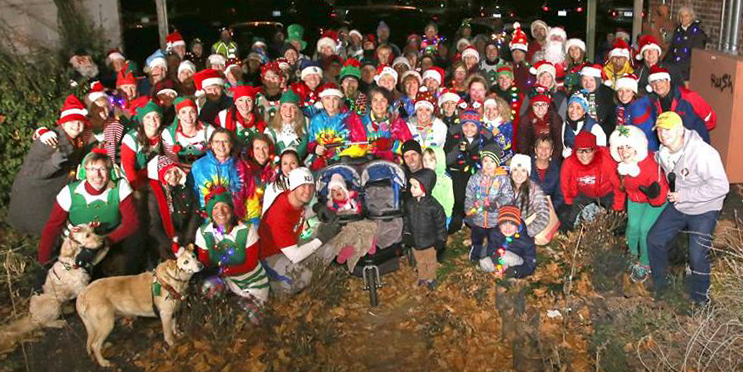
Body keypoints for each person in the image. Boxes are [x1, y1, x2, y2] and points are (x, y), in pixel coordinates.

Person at [647, 112, 728, 304]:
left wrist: (684, 196)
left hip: (705, 208)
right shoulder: (664, 151)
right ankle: (661, 285)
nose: (663, 134)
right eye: (659, 130)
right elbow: (660, 166)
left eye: (667, 130)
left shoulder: (702, 153)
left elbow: (721, 187)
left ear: (679, 130)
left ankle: (701, 298)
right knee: (654, 239)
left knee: (697, 254)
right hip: (680, 204)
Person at [38, 150, 139, 274]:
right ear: (84, 171)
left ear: (110, 171)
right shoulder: (69, 192)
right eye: (91, 169)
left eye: (102, 169)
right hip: (75, 244)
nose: (97, 175)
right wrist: (44, 262)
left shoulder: (120, 187)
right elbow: (52, 228)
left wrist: (104, 242)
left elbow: (132, 224)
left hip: (111, 241)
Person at [9, 95, 87, 236]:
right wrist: (53, 163)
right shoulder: (50, 140)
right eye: (72, 121)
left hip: (53, 191)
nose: (76, 125)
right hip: (35, 194)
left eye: (80, 122)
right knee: (37, 231)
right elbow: (31, 171)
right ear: (63, 123)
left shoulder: (77, 139)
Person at [258, 167, 342, 295]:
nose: (307, 191)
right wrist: (322, 238)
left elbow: (297, 217)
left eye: (310, 186)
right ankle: (276, 285)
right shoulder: (279, 213)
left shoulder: (292, 198)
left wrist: (316, 209)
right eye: (302, 186)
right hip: (271, 256)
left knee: (329, 250)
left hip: (289, 246)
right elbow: (295, 255)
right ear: (293, 187)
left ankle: (305, 274)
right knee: (304, 278)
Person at [196, 185, 268, 321]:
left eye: (224, 206)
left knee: (251, 319)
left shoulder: (247, 229)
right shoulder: (204, 232)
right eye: (215, 208)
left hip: (250, 281)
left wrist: (225, 270)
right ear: (210, 212)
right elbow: (205, 262)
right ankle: (216, 313)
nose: (221, 212)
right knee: (208, 287)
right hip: (226, 280)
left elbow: (250, 263)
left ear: (231, 209)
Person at [609, 125, 668, 282]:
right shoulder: (621, 167)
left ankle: (645, 263)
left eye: (628, 146)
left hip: (656, 201)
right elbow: (619, 188)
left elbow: (661, 194)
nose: (624, 151)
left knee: (644, 229)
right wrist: (617, 208)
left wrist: (653, 196)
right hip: (635, 199)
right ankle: (631, 254)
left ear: (637, 147)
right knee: (632, 227)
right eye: (620, 147)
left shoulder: (649, 165)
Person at [560, 131, 624, 229]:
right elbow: (565, 185)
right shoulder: (569, 163)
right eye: (580, 151)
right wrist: (569, 202)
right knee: (568, 219)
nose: (584, 155)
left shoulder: (606, 161)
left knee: (615, 223)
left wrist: (618, 208)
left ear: (594, 150)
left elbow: (618, 186)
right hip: (584, 194)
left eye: (588, 150)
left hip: (607, 193)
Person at [189, 128, 254, 222]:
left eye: (225, 141)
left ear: (231, 144)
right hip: (207, 220)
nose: (221, 145)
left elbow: (249, 194)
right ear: (211, 144)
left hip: (236, 219)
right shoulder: (199, 166)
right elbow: (193, 194)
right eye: (217, 141)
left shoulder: (241, 167)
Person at [445, 110, 494, 233]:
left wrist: (472, 152)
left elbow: (490, 158)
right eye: (465, 125)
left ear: (478, 126)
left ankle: (476, 219)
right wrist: (458, 147)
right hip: (458, 171)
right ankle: (458, 217)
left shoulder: (485, 137)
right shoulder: (454, 136)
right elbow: (448, 160)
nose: (469, 129)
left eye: (472, 125)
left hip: (479, 171)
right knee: (459, 192)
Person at [464, 143, 514, 260]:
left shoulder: (503, 179)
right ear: (481, 162)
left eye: (492, 161)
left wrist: (496, 204)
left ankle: (493, 253)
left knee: (494, 239)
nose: (488, 165)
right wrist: (468, 209)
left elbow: (508, 196)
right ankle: (475, 250)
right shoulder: (475, 178)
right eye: (485, 161)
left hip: (495, 219)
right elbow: (469, 195)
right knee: (477, 237)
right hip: (478, 218)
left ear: (497, 163)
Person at [147, 156, 199, 261]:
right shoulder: (154, 196)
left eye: (175, 172)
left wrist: (189, 239)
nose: (174, 176)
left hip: (186, 236)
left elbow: (194, 214)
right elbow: (154, 226)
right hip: (165, 241)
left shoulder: (185, 189)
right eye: (168, 173)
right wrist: (173, 245)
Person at [646, 66, 714, 143]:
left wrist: (700, 134)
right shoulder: (654, 102)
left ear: (668, 81)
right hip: (674, 144)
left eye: (661, 81)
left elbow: (710, 118)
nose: (658, 85)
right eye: (654, 82)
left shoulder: (688, 96)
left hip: (696, 143)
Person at [404, 168, 447, 289]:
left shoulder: (434, 206)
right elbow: (406, 220)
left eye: (415, 186)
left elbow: (440, 224)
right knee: (420, 261)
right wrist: (407, 233)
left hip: (430, 242)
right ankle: (422, 277)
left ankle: (431, 278)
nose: (411, 189)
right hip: (415, 241)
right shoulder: (410, 204)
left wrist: (441, 239)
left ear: (425, 187)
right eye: (411, 185)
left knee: (431, 262)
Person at [306, 83, 364, 170]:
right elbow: (311, 143)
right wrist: (315, 148)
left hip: (346, 163)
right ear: (321, 100)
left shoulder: (351, 117)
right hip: (322, 164)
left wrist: (340, 154)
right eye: (327, 98)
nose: (331, 103)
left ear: (340, 100)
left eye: (335, 99)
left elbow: (361, 144)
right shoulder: (316, 120)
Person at [474, 205, 537, 279]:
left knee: (506, 257)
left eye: (512, 224)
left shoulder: (526, 240)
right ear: (499, 225)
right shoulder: (495, 233)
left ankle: (511, 275)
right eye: (504, 224)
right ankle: (500, 272)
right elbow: (491, 247)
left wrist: (516, 271)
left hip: (516, 263)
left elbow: (531, 264)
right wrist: (495, 256)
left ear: (517, 225)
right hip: (500, 259)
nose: (507, 228)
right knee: (484, 262)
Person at [360, 86, 412, 161]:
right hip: (367, 165)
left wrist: (393, 145)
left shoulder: (398, 123)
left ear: (388, 103)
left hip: (393, 166)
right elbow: (355, 146)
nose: (379, 104)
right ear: (370, 104)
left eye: (383, 100)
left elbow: (410, 149)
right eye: (375, 100)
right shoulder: (361, 123)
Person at [508, 154, 552, 241]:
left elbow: (544, 216)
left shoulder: (534, 190)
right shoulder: (502, 185)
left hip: (522, 227)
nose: (519, 174)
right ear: (511, 172)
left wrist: (525, 232)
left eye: (523, 170)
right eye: (515, 170)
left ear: (528, 173)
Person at [121, 102, 164, 190]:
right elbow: (128, 167)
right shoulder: (131, 138)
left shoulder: (164, 134)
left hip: (155, 177)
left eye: (156, 116)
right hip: (132, 180)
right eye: (148, 117)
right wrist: (137, 189)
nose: (152, 121)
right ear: (142, 120)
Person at [162, 97, 215, 166]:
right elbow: (172, 161)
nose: (188, 116)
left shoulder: (208, 130)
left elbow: (215, 155)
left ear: (196, 114)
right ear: (178, 115)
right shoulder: (168, 133)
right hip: (180, 170)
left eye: (192, 112)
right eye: (183, 112)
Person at [614, 74, 658, 151]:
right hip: (630, 147)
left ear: (634, 92)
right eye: (620, 91)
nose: (624, 95)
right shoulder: (621, 107)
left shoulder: (639, 107)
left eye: (628, 91)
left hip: (646, 149)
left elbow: (640, 134)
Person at [665, 6, 707, 82]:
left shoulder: (698, 34)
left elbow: (696, 55)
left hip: (687, 73)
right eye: (681, 16)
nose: (683, 18)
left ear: (691, 17)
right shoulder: (677, 31)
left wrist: (679, 68)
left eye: (686, 16)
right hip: (674, 70)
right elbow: (671, 50)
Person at [561, 91, 607, 158]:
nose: (574, 111)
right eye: (571, 106)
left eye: (578, 108)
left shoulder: (594, 128)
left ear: (584, 111)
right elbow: (565, 148)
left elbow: (601, 154)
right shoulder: (565, 125)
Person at [516, 92, 563, 157]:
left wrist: (554, 159)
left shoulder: (555, 118)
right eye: (536, 105)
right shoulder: (525, 120)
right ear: (531, 107)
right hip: (531, 155)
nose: (540, 108)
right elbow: (522, 146)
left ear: (548, 106)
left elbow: (559, 143)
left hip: (552, 154)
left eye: (543, 104)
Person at [265, 91, 309, 158]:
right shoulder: (270, 130)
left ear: (297, 110)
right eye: (284, 106)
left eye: (293, 107)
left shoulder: (306, 123)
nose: (288, 111)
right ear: (280, 110)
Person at [530, 135, 566, 216]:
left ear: (551, 151)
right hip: (529, 209)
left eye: (547, 148)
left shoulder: (557, 169)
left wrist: (549, 210)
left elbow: (559, 196)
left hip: (551, 209)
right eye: (540, 147)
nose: (543, 151)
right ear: (535, 150)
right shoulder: (527, 165)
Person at [578, 64, 616, 136]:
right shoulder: (576, 93)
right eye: (585, 80)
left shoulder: (608, 94)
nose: (588, 84)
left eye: (591, 80)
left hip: (604, 133)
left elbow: (612, 119)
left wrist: (600, 133)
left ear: (597, 81)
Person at [262, 149, 300, 215]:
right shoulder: (272, 189)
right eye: (285, 164)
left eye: (293, 163)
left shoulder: (306, 183)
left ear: (299, 164)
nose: (289, 167)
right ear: (281, 167)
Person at [423, 147, 454, 225]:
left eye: (431, 160)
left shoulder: (445, 179)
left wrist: (447, 215)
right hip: (426, 215)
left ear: (438, 161)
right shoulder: (423, 177)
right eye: (424, 160)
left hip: (441, 215)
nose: (427, 163)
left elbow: (449, 199)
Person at [482, 96, 514, 164]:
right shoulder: (481, 125)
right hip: (485, 162)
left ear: (501, 110)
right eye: (487, 108)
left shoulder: (506, 125)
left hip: (503, 161)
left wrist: (495, 132)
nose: (490, 112)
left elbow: (505, 145)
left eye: (495, 109)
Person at [509, 23, 534, 92]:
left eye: (520, 51)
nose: (517, 54)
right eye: (514, 51)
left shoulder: (531, 70)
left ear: (524, 53)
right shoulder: (508, 68)